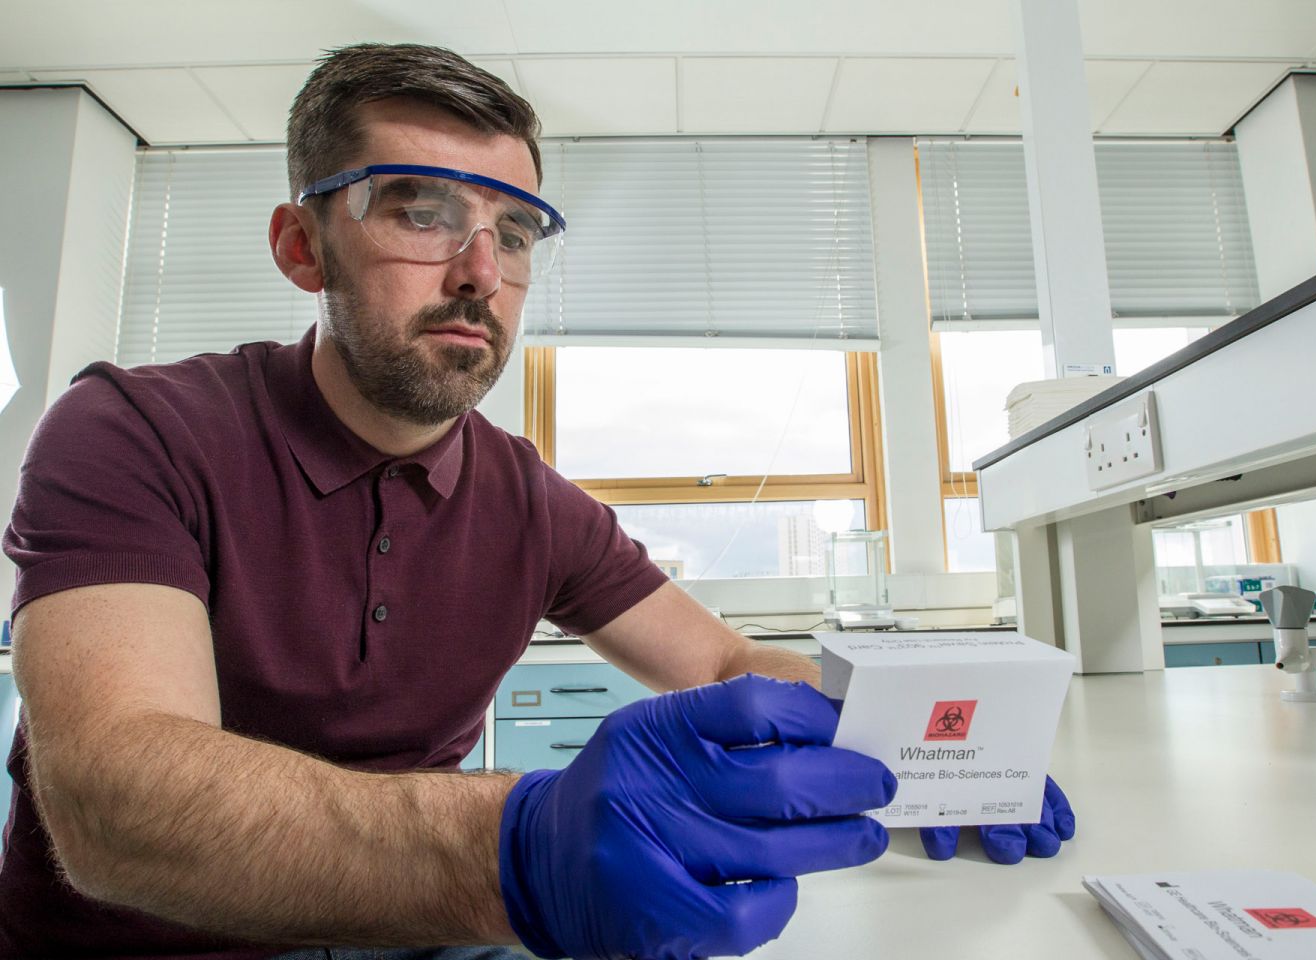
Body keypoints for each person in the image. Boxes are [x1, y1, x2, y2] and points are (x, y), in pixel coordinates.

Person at [0, 43, 1068, 960]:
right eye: (421, 210)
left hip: (418, 933)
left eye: (513, 234)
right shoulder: (136, 431)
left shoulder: (529, 498)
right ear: (300, 245)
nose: (478, 270)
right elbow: (113, 798)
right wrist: (509, 845)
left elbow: (729, 665)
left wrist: (930, 753)